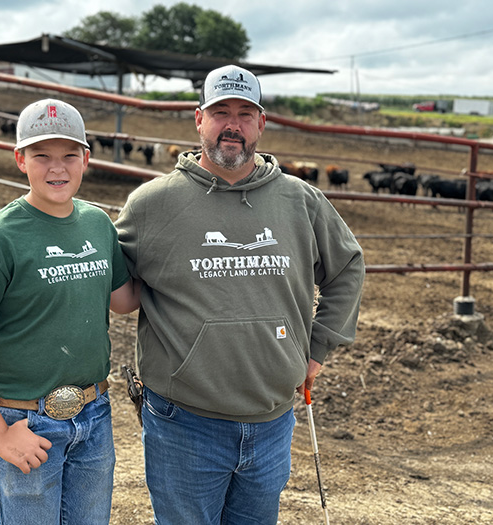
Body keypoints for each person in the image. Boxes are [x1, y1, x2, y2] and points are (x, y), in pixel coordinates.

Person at [115, 65, 365, 524]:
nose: (233, 125)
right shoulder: (152, 205)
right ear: (199, 120)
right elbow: (111, 286)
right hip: (184, 423)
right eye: (220, 112)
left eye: (245, 114)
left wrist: (318, 347)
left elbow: (347, 266)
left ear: (261, 124)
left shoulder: (300, 201)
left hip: (272, 420)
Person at [0, 98, 139, 524]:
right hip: (24, 419)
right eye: (41, 155)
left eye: (69, 155)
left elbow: (124, 301)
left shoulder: (97, 224)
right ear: (20, 160)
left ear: (87, 158)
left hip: (93, 412)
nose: (57, 168)